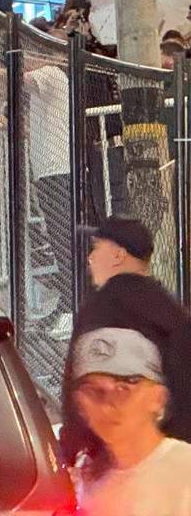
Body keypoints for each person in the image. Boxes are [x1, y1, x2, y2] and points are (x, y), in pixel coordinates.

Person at [60, 217, 191, 470]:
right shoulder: (172, 311)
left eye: (97, 248)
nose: (91, 258)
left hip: (116, 467)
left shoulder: (101, 309)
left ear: (118, 255)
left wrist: (72, 453)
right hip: (172, 460)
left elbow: (80, 388)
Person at [71, 327, 191, 515]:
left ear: (158, 397)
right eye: (93, 391)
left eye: (123, 388)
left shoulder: (184, 472)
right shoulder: (84, 480)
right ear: (80, 404)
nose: (107, 405)